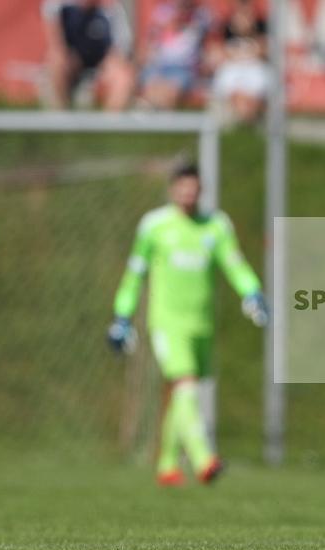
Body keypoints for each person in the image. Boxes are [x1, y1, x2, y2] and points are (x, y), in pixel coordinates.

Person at [107, 163, 267, 486]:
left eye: (193, 188)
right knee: (185, 385)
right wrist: (122, 315)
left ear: (201, 190)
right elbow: (135, 273)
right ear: (172, 189)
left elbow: (234, 263)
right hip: (167, 322)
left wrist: (252, 292)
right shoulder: (154, 226)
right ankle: (203, 458)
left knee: (181, 391)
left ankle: (167, 464)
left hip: (202, 325)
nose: (187, 194)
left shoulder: (216, 226)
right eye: (182, 187)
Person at [41, 0, 134, 110]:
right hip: (72, 60)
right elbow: (56, 47)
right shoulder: (61, 7)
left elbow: (120, 49)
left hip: (102, 62)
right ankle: (61, 119)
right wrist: (63, 54)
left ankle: (110, 123)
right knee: (55, 64)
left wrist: (111, 62)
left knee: (124, 77)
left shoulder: (112, 9)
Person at [137, 0, 213, 110]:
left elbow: (212, 41)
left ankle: (148, 111)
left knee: (170, 91)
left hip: (184, 69)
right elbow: (148, 44)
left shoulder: (202, 16)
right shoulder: (162, 13)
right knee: (152, 84)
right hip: (158, 66)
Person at [210, 0, 269, 125]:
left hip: (255, 69)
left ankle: (247, 117)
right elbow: (219, 52)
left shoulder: (261, 26)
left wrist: (250, 31)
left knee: (255, 90)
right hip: (233, 71)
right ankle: (243, 118)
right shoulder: (226, 28)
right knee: (233, 88)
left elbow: (264, 51)